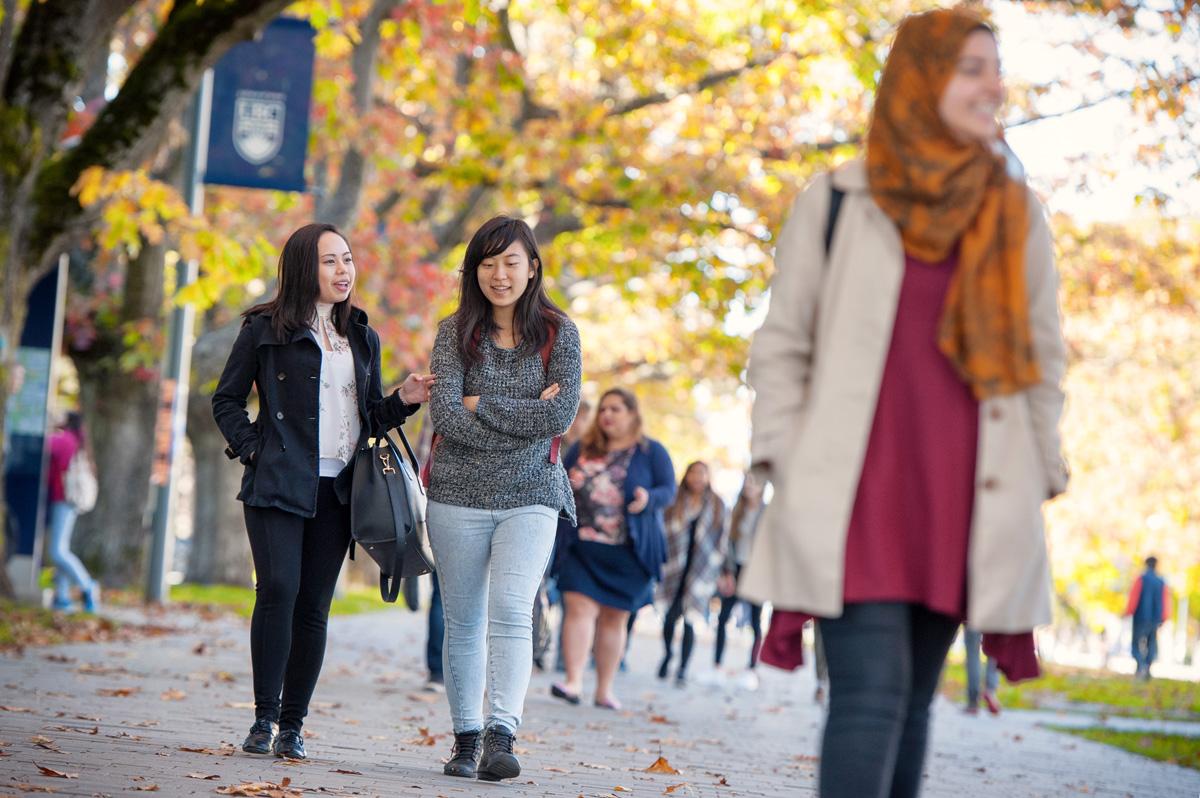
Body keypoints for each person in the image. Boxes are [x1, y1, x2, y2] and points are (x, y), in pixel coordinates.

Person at [741, 9, 1068, 798]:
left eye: (995, 67)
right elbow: (784, 344)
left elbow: (1043, 359)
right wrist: (783, 454)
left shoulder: (1016, 214)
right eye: (972, 67)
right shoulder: (840, 202)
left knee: (915, 701)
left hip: (966, 490)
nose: (993, 84)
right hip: (855, 485)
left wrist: (1043, 468)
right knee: (870, 692)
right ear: (920, 78)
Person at [212, 223, 433, 760]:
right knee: (279, 589)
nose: (343, 271)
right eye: (330, 261)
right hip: (277, 483)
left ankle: (293, 726)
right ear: (302, 268)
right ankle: (264, 718)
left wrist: (403, 398)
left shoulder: (361, 334)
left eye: (348, 260)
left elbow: (369, 419)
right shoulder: (264, 329)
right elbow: (226, 400)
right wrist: (254, 448)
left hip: (340, 489)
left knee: (314, 606)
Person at [425, 215, 582, 782]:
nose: (499, 274)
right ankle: (465, 739)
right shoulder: (452, 333)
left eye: (511, 261)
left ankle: (502, 733)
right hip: (457, 494)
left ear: (532, 267)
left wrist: (478, 404)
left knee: (513, 610)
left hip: (533, 492)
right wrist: (518, 415)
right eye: (487, 263)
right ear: (474, 271)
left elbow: (558, 416)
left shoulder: (560, 334)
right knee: (463, 618)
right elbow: (445, 414)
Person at [551, 387, 676, 710]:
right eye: (604, 409)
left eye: (616, 409)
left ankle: (604, 689)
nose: (606, 414)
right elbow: (555, 477)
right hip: (582, 545)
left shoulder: (651, 452)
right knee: (578, 609)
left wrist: (649, 499)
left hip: (629, 552)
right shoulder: (581, 448)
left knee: (613, 618)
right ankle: (574, 681)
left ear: (633, 414)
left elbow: (668, 490)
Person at [657, 461, 728, 688]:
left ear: (708, 478)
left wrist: (724, 570)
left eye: (702, 474)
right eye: (694, 473)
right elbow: (664, 530)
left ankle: (683, 669)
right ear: (686, 475)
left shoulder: (717, 505)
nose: (697, 478)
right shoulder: (675, 500)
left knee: (691, 620)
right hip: (675, 566)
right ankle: (668, 654)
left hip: (701, 570)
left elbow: (722, 541)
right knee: (670, 618)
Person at [710, 470, 766, 690]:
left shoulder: (767, 513)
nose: (750, 486)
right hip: (736, 569)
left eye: (754, 483)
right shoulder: (736, 512)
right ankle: (717, 665)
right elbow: (727, 545)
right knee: (723, 617)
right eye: (747, 482)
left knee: (755, 621)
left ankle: (751, 669)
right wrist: (727, 572)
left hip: (758, 571)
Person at [45, 412, 99, 613]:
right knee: (62, 549)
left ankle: (87, 585)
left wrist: (49, 424)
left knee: (58, 551)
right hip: (68, 501)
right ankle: (62, 597)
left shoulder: (64, 439)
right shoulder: (77, 441)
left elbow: (44, 443)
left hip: (63, 499)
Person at [1124, 556, 1171, 680]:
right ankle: (1147, 666)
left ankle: (1141, 665)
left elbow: (1134, 596)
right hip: (1155, 619)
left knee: (1136, 643)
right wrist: (1164, 617)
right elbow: (1165, 601)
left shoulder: (1141, 579)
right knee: (1151, 643)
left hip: (1140, 616)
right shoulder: (1161, 582)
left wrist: (1128, 612)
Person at [963, 627, 1000, 714]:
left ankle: (973, 701)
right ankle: (990, 690)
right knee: (994, 651)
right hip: (994, 616)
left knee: (972, 652)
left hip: (971, 617)